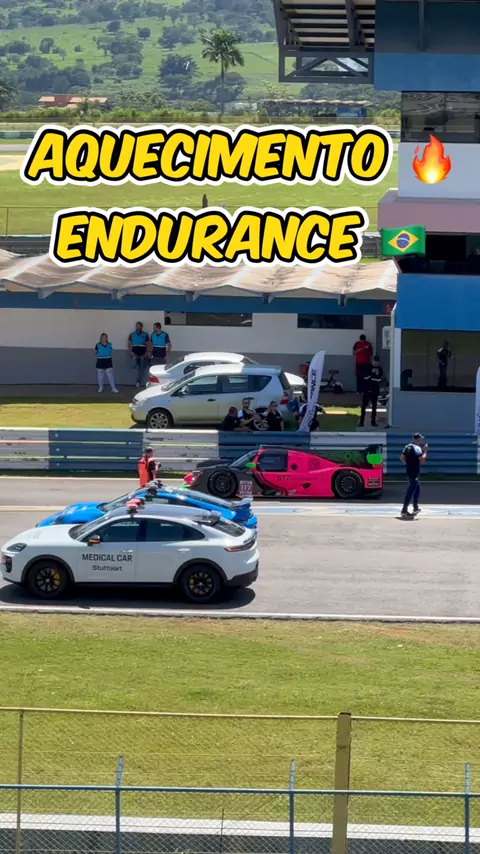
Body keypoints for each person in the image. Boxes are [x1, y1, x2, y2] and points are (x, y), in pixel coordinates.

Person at [400, 433, 428, 518]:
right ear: (417, 440)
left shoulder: (407, 447)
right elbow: (422, 459)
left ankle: (415, 507)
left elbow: (402, 457)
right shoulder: (417, 448)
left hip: (409, 471)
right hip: (414, 472)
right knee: (411, 489)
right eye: (420, 439)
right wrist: (425, 451)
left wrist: (407, 464)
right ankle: (404, 509)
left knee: (417, 487)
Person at [358, 357, 384, 428]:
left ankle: (373, 422)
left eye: (377, 363)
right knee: (364, 406)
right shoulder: (368, 367)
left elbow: (379, 379)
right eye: (375, 362)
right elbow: (365, 377)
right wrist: (372, 374)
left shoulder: (380, 369)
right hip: (367, 389)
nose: (376, 363)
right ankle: (361, 422)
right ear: (373, 361)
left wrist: (371, 377)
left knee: (374, 406)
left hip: (375, 390)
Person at [128, 322, 149, 388]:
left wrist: (146, 353)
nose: (137, 327)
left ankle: (138, 382)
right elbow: (129, 344)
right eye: (136, 326)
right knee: (133, 365)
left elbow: (148, 344)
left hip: (142, 355)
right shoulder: (132, 334)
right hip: (134, 355)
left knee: (141, 369)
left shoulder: (145, 334)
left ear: (141, 327)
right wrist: (130, 351)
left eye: (139, 326)